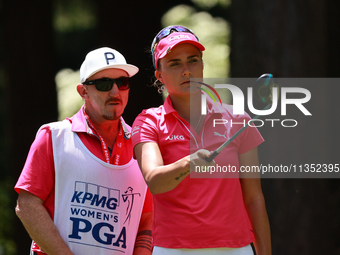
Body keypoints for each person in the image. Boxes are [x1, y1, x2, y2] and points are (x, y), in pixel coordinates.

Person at [131, 26, 271, 255]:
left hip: (235, 248)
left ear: (203, 65)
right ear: (159, 75)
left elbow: (254, 198)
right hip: (172, 249)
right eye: (174, 63)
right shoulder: (148, 121)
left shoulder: (238, 120)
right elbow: (154, 181)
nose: (186, 71)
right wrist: (188, 163)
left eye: (193, 60)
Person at [15, 47, 153, 255]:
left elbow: (147, 218)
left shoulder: (143, 144)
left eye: (122, 83)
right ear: (83, 91)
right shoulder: (53, 136)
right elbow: (27, 206)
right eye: (104, 84)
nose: (115, 91)